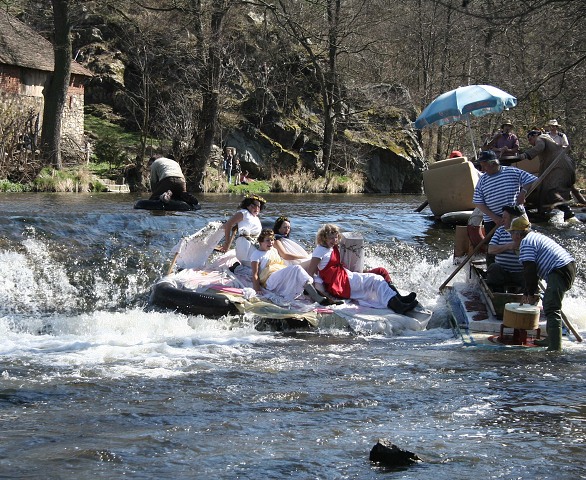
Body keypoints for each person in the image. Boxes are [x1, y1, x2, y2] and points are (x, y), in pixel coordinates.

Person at [305, 224, 418, 314]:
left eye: (336, 237)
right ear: (324, 238)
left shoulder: (331, 247)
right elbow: (311, 272)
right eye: (331, 238)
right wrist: (317, 293)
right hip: (340, 284)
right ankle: (398, 307)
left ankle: (399, 300)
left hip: (344, 277)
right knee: (376, 279)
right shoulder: (320, 251)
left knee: (378, 276)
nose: (334, 240)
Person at [507, 215, 576, 351]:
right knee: (550, 303)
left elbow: (529, 270)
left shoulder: (526, 242)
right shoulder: (533, 237)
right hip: (565, 267)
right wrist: (528, 291)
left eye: (511, 233)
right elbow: (533, 272)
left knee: (551, 306)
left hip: (559, 270)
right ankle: (551, 339)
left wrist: (530, 293)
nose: (510, 236)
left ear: (517, 234)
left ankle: (555, 348)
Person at [251, 229, 334, 305]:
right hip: (269, 280)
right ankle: (316, 296)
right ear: (261, 242)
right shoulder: (256, 254)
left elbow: (284, 257)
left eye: (272, 240)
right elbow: (255, 273)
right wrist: (257, 289)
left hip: (278, 274)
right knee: (296, 268)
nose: (271, 243)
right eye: (267, 240)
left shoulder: (273, 249)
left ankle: (315, 295)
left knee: (297, 274)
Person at [516, 129, 578, 222]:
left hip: (559, 167)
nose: (530, 142)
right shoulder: (550, 141)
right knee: (544, 189)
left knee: (550, 190)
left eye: (529, 139)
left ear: (534, 136)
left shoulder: (541, 138)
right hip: (564, 166)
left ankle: (567, 210)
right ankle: (542, 212)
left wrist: (525, 155)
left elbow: (540, 147)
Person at [472, 149, 538, 237]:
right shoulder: (482, 180)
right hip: (493, 220)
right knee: (494, 247)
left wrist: (523, 193)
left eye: (484, 166)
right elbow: (478, 202)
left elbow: (532, 179)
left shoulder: (512, 171)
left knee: (522, 241)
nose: (482, 169)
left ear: (493, 163)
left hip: (515, 215)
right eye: (481, 166)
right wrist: (495, 217)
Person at [485, 205, 527, 293]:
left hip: (520, 273)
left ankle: (524, 296)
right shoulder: (500, 230)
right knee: (494, 267)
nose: (502, 220)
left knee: (532, 272)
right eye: (502, 217)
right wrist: (508, 246)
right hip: (502, 273)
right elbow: (490, 249)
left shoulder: (526, 233)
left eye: (505, 218)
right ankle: (498, 294)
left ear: (514, 219)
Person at [221, 195, 266, 268]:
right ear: (248, 205)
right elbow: (229, 224)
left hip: (254, 243)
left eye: (259, 207)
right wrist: (226, 243)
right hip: (245, 245)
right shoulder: (243, 213)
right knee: (258, 265)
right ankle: (236, 268)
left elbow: (234, 230)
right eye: (254, 206)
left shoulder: (256, 218)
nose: (257, 209)